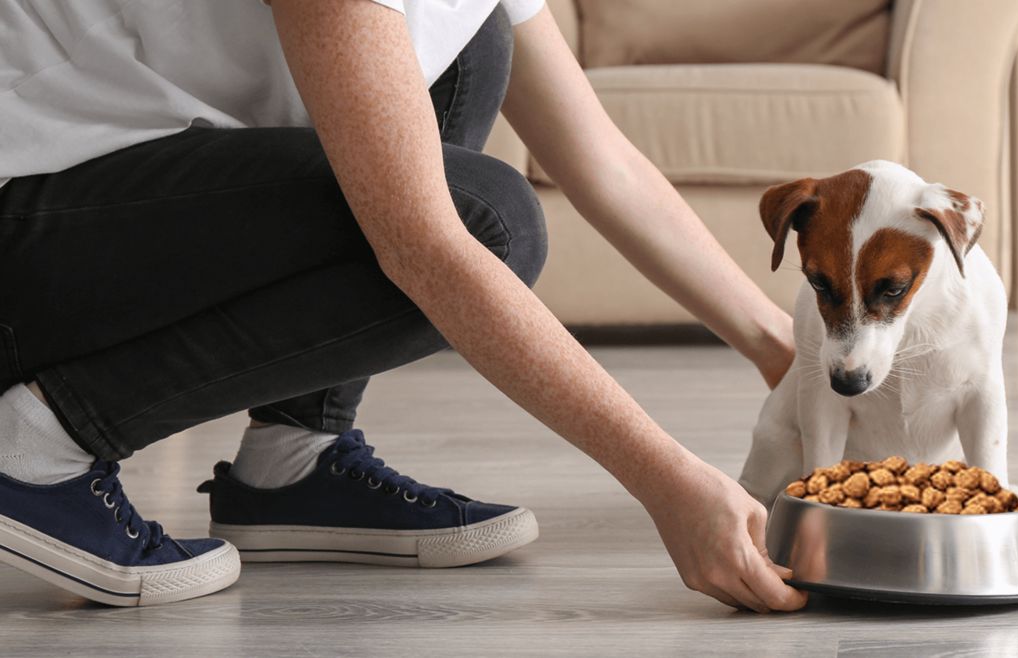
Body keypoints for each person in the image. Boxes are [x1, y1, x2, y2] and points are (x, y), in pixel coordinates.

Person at [0, 0, 807, 612]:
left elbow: (602, 162)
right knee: (490, 225)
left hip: (114, 175)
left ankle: (295, 459)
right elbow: (426, 249)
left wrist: (783, 347)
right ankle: (34, 449)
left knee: (476, 42)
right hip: (27, 211)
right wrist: (669, 484)